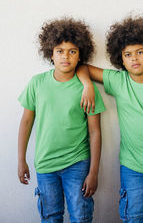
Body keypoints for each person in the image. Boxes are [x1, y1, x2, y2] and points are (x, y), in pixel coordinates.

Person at [77, 16, 143, 223]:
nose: (134, 58)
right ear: (121, 59)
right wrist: (87, 85)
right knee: (133, 217)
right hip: (132, 167)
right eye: (128, 54)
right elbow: (83, 68)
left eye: (139, 52)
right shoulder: (119, 81)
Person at [18, 17, 105, 223]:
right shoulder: (37, 83)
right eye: (60, 51)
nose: (66, 56)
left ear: (79, 56)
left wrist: (93, 172)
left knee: (81, 217)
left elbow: (95, 132)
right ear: (51, 53)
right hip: (46, 164)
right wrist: (21, 159)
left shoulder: (87, 90)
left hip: (77, 164)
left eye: (72, 51)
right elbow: (26, 122)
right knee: (50, 217)